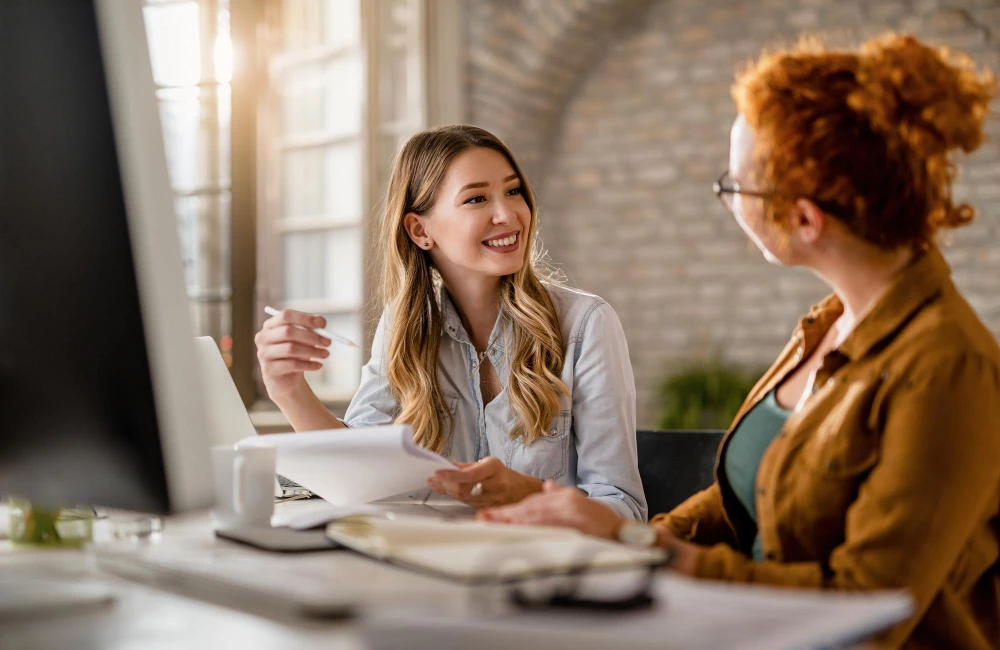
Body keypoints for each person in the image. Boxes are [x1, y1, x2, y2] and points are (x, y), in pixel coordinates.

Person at [479, 33, 999, 648]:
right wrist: (602, 536)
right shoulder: (826, 325)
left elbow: (872, 607)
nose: (727, 198)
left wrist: (639, 546)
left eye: (735, 186)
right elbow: (741, 501)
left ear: (806, 218)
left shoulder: (947, 368)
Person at [255, 125, 646, 521]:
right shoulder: (404, 327)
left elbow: (625, 511)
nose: (508, 214)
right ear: (420, 230)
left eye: (513, 191)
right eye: (477, 198)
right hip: (428, 567)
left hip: (540, 572)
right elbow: (356, 473)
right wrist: (289, 391)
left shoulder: (585, 325)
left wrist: (526, 494)